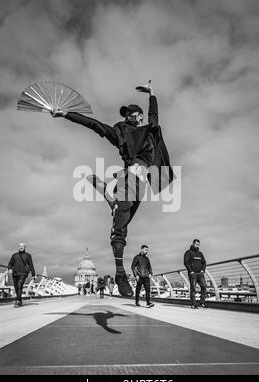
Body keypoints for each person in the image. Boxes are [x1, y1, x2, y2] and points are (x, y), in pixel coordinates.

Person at [51, 81, 174, 297]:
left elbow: (154, 115)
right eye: (126, 114)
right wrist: (66, 114)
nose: (128, 116)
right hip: (128, 179)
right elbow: (95, 125)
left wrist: (152, 94)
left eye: (131, 113)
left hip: (142, 185)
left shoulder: (150, 131)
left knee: (123, 221)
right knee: (119, 230)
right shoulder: (121, 134)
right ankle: (119, 273)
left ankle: (109, 197)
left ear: (139, 116)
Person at [8, 243, 36, 308]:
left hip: (23, 273)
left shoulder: (28, 255)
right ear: (18, 247)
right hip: (15, 273)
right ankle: (19, 300)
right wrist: (9, 268)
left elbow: (31, 265)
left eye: (22, 246)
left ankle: (18, 301)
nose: (21, 247)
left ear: (24, 247)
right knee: (16, 288)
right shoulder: (14, 255)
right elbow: (10, 264)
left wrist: (33, 274)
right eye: (20, 246)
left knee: (19, 285)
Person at [184, 239, 207, 309]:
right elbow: (186, 263)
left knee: (204, 286)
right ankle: (193, 304)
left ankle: (202, 302)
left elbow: (204, 262)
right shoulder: (188, 252)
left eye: (198, 244)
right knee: (193, 288)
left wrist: (203, 270)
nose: (197, 246)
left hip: (200, 273)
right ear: (193, 244)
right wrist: (191, 271)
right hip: (193, 274)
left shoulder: (200, 253)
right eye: (196, 244)